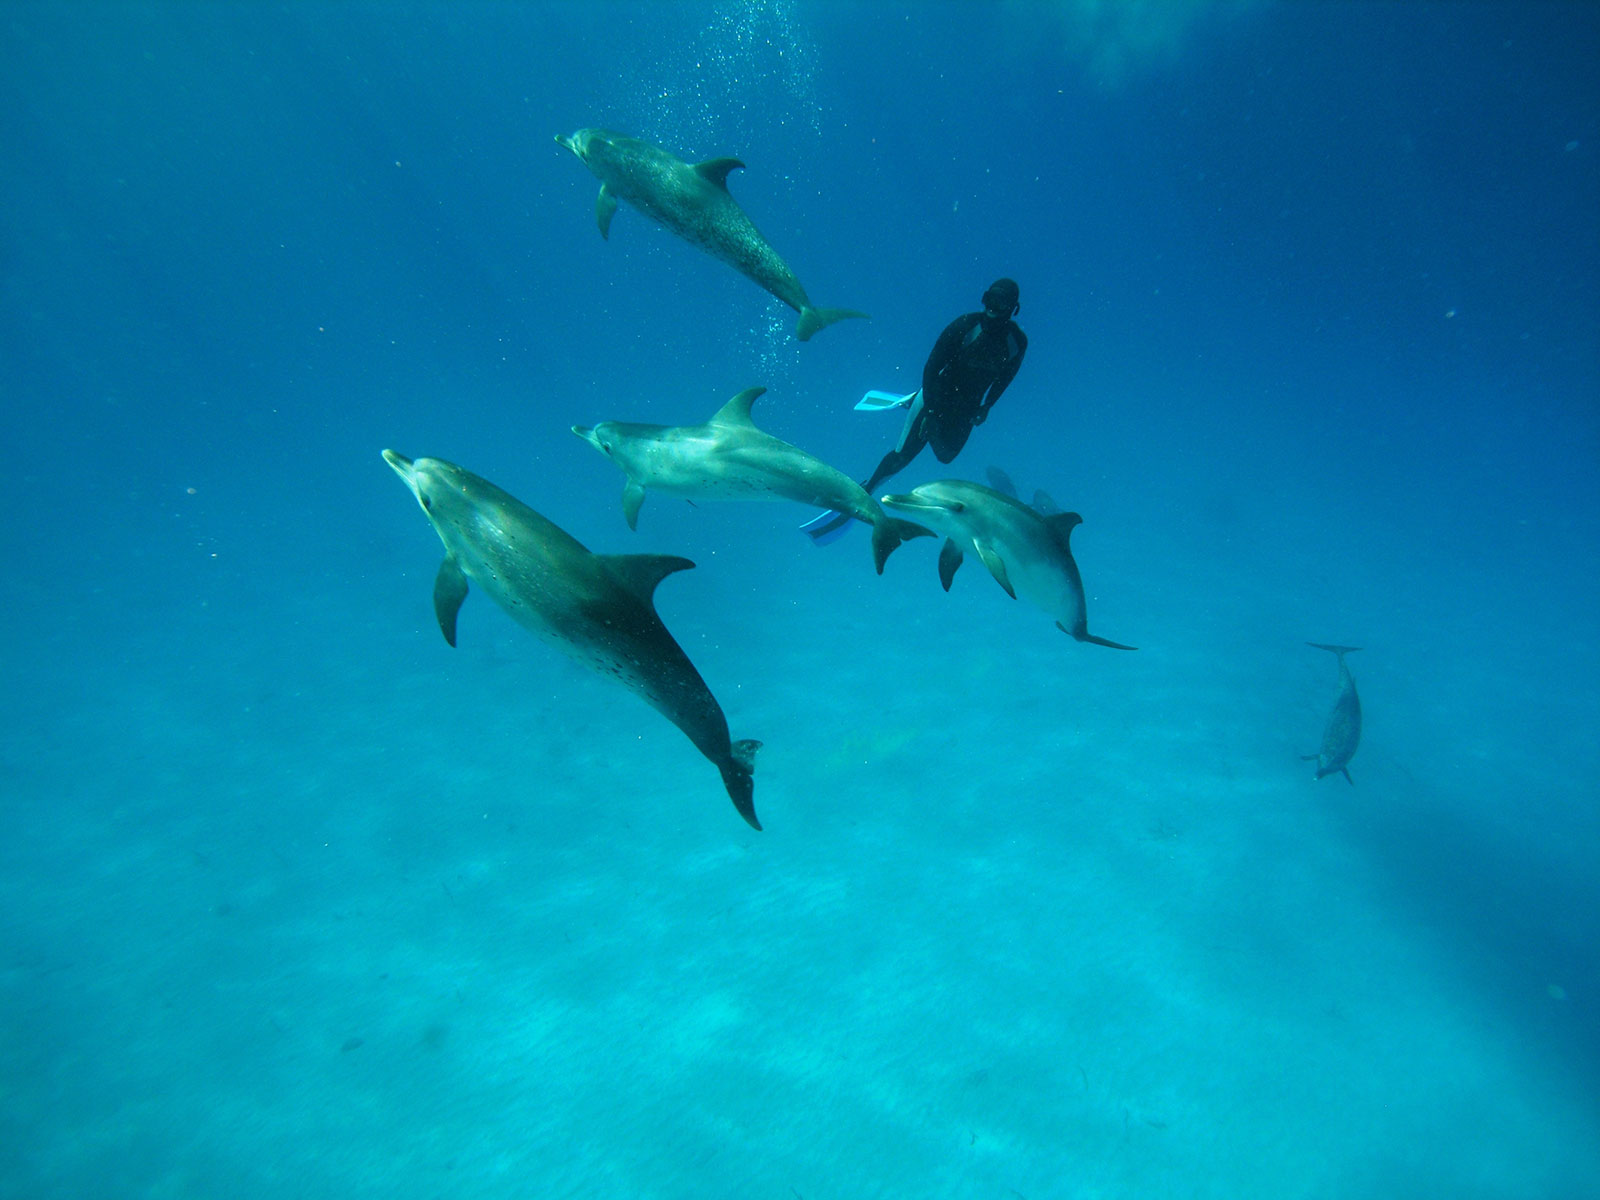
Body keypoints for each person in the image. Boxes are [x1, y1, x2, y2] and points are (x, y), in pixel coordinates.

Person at [805, 278, 1027, 543]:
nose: (992, 307)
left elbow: (1005, 379)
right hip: (936, 398)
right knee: (902, 457)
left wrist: (987, 406)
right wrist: (931, 414)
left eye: (1000, 303)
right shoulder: (965, 326)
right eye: (989, 299)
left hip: (965, 407)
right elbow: (931, 368)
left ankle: (912, 402)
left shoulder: (1017, 342)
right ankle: (863, 494)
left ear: (1013, 308)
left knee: (945, 456)